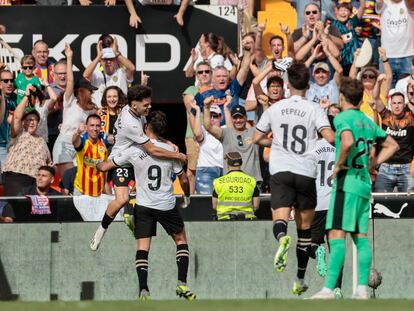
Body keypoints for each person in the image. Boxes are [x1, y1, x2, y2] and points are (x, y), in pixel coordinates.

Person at [311, 78, 399, 300]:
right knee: (361, 237)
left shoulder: (343, 118)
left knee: (336, 235)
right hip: (364, 183)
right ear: (361, 99)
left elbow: (347, 142)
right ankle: (361, 288)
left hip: (347, 182)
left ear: (342, 97)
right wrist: (373, 163)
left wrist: (339, 164)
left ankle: (329, 289)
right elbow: (393, 145)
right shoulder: (368, 121)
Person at [252, 63, 335, 295]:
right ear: (308, 86)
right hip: (306, 172)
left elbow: (257, 137)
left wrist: (276, 142)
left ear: (287, 84)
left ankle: (281, 239)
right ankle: (299, 278)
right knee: (305, 230)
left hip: (280, 170)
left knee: (280, 218)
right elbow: (329, 137)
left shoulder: (275, 109)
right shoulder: (315, 109)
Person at [109, 110, 195, 301]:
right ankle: (182, 283)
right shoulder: (171, 151)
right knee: (181, 240)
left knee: (142, 247)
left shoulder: (135, 149)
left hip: (144, 205)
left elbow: (111, 164)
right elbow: (183, 179)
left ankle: (143, 290)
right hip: (165, 204)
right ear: (163, 129)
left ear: (146, 127)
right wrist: (187, 195)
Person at [90, 85, 186, 251]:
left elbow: (148, 136)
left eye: (149, 103)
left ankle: (132, 215)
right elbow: (152, 149)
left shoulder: (134, 109)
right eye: (146, 104)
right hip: (122, 159)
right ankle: (101, 230)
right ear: (135, 106)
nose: (149, 106)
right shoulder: (130, 124)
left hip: (136, 155)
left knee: (150, 189)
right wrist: (178, 155)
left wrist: (166, 141)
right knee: (122, 199)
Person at [53, 44, 97, 177]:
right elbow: (70, 80)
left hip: (80, 144)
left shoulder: (92, 108)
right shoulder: (70, 101)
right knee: (68, 180)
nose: (91, 93)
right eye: (90, 90)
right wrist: (69, 58)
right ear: (82, 91)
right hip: (64, 143)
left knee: (80, 180)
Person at [2, 86, 51, 196]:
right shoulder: (18, 134)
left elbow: (48, 162)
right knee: (14, 209)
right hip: (16, 177)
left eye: (34, 120)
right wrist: (26, 96)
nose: (32, 122)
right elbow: (16, 117)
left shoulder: (42, 141)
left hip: (35, 182)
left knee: (29, 212)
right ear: (23, 122)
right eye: (28, 120)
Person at [204, 102, 263, 189]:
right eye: (235, 117)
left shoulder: (254, 132)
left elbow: (268, 126)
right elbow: (208, 127)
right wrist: (206, 107)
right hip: (231, 183)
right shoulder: (225, 133)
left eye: (241, 117)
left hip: (252, 182)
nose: (238, 120)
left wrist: (264, 106)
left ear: (246, 118)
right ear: (231, 119)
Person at [373, 88, 414, 193]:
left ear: (404, 105)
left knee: (410, 204)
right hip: (386, 167)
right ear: (390, 105)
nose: (397, 106)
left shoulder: (411, 117)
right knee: (379, 202)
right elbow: (376, 97)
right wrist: (378, 82)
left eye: (400, 103)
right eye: (394, 103)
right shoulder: (386, 116)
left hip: (407, 168)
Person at [182, 61, 213, 193]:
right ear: (196, 75)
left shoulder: (218, 90)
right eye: (200, 72)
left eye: (207, 71)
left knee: (212, 168)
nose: (204, 74)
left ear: (212, 74)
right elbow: (191, 107)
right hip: (193, 135)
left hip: (213, 134)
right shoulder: (191, 90)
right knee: (192, 171)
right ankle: (192, 201)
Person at [83, 35, 135, 106]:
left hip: (120, 113)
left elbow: (132, 68)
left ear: (115, 59)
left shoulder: (121, 72)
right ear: (100, 61)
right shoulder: (96, 74)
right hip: (101, 114)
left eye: (111, 58)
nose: (108, 62)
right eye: (105, 59)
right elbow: (85, 75)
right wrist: (99, 56)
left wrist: (116, 53)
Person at [212, 151, 260, 221]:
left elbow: (214, 206)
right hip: (247, 220)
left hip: (224, 220)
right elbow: (256, 206)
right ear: (241, 163)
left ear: (227, 164)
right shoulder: (252, 181)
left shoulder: (218, 182)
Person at [72, 114, 111, 197]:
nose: (95, 129)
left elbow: (112, 138)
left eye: (97, 126)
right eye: (92, 125)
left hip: (100, 192)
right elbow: (74, 142)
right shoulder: (82, 140)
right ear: (86, 127)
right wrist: (78, 132)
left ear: (100, 127)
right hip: (81, 191)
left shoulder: (103, 140)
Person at [377, 0, 414, 87]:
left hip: (408, 56)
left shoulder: (409, 3)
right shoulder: (383, 3)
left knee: (408, 92)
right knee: (385, 93)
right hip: (386, 58)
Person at [190, 104, 224, 194]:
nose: (212, 119)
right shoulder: (202, 130)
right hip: (206, 170)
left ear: (221, 118)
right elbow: (197, 135)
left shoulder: (225, 130)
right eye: (210, 116)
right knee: (207, 202)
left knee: (224, 203)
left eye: (215, 116)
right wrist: (198, 111)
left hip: (224, 171)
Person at [331, 0, 366, 76]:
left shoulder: (352, 22)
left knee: (352, 83)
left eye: (346, 10)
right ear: (336, 12)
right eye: (341, 10)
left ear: (350, 13)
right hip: (339, 61)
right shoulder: (333, 24)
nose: (343, 13)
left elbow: (362, 7)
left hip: (353, 61)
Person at [0, 70, 17, 171]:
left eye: (11, 80)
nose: (10, 83)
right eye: (6, 81)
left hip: (15, 145)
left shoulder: (17, 98)